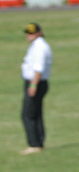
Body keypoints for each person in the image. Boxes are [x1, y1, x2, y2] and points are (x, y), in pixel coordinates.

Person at [20, 22, 52, 155]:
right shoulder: (38, 45)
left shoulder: (39, 47)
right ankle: (39, 142)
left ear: (39, 33)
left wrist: (33, 85)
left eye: (31, 33)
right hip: (38, 82)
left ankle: (33, 144)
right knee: (36, 114)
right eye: (27, 32)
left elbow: (38, 68)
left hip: (35, 82)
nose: (28, 35)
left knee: (27, 115)